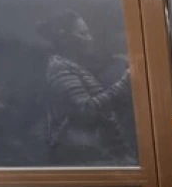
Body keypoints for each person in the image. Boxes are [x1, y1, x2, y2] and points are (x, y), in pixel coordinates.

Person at [36, 10, 135, 166]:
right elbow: (86, 111)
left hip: (96, 154)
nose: (90, 38)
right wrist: (126, 80)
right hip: (85, 158)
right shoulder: (60, 68)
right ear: (65, 38)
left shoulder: (73, 66)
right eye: (83, 34)